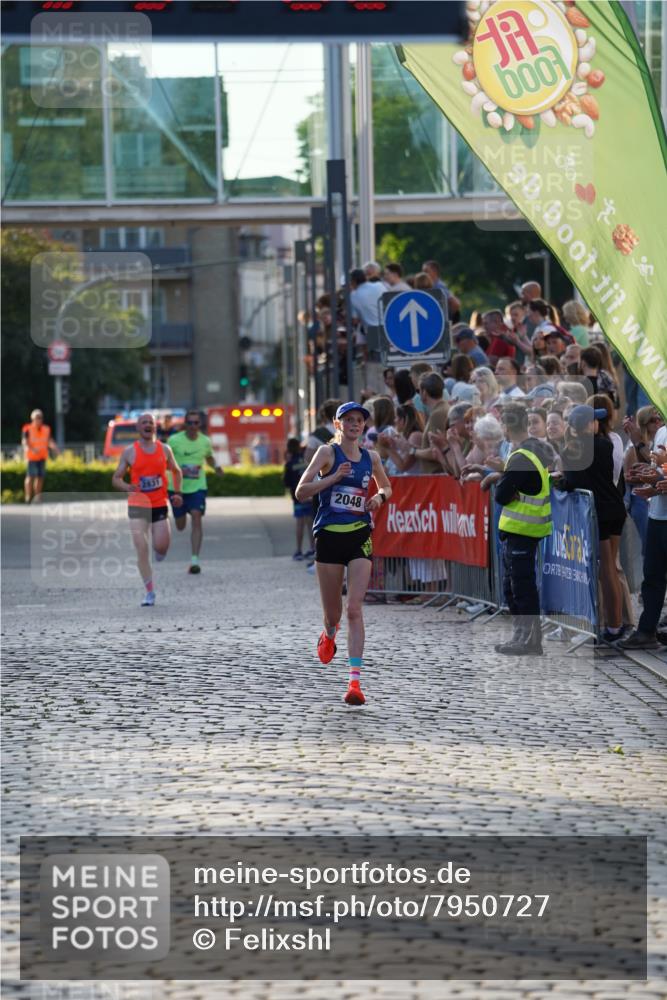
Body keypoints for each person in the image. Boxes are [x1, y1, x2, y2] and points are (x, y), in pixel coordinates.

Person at [295, 402, 392, 706]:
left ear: (364, 426)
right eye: (348, 420)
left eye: (359, 420)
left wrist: (378, 497)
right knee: (333, 615)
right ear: (337, 425)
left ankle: (355, 682)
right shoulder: (327, 453)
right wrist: (333, 478)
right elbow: (301, 490)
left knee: (355, 609)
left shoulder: (371, 457)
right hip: (328, 537)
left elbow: (387, 487)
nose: (354, 424)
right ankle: (328, 635)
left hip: (359, 535)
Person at [482, 404, 553, 655]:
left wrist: (498, 479)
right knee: (515, 587)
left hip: (523, 531)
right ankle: (521, 636)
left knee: (522, 587)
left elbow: (502, 495)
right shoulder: (532, 449)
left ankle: (529, 640)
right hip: (521, 531)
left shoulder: (522, 456)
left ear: (506, 427)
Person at [557, 405, 627, 642]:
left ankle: (612, 626)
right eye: (595, 420)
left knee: (605, 570)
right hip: (614, 509)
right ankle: (614, 624)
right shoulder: (605, 445)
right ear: (588, 425)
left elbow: (573, 482)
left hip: (598, 512)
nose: (599, 423)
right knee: (610, 569)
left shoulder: (573, 450)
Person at [112, 411, 183, 606]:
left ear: (155, 426)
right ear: (137, 427)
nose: (147, 425)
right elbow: (116, 478)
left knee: (161, 547)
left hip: (159, 504)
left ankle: (160, 550)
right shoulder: (129, 452)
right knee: (141, 548)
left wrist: (177, 493)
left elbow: (177, 472)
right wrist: (128, 487)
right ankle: (150, 592)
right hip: (137, 505)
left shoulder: (165, 450)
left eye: (150, 422)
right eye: (143, 422)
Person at [620, 419, 667, 649]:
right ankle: (647, 630)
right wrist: (651, 481)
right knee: (652, 576)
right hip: (657, 514)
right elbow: (661, 472)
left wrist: (656, 479)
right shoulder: (662, 432)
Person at [167, 409, 224, 574]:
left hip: (197, 487)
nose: (193, 426)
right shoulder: (174, 441)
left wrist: (216, 467)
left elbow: (209, 457)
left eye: (196, 423)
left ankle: (194, 560)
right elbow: (164, 460)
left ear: (200, 424)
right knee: (180, 525)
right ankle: (179, 515)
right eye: (190, 423)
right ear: (185, 424)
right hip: (176, 489)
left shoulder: (205, 441)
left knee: (197, 517)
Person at [284, 438, 314, 561]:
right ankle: (313, 548)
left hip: (298, 498)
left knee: (299, 524)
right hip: (310, 496)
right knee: (310, 524)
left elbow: (286, 482)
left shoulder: (290, 464)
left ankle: (298, 550)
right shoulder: (307, 461)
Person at [22, 408, 59, 503]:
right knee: (30, 477)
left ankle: (37, 497)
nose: (39, 420)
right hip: (31, 457)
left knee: (40, 477)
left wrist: (55, 448)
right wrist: (30, 449)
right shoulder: (27, 428)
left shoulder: (46, 429)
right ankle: (28, 497)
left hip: (42, 457)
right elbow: (25, 441)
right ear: (32, 419)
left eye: (40, 418)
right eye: (37, 418)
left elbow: (49, 441)